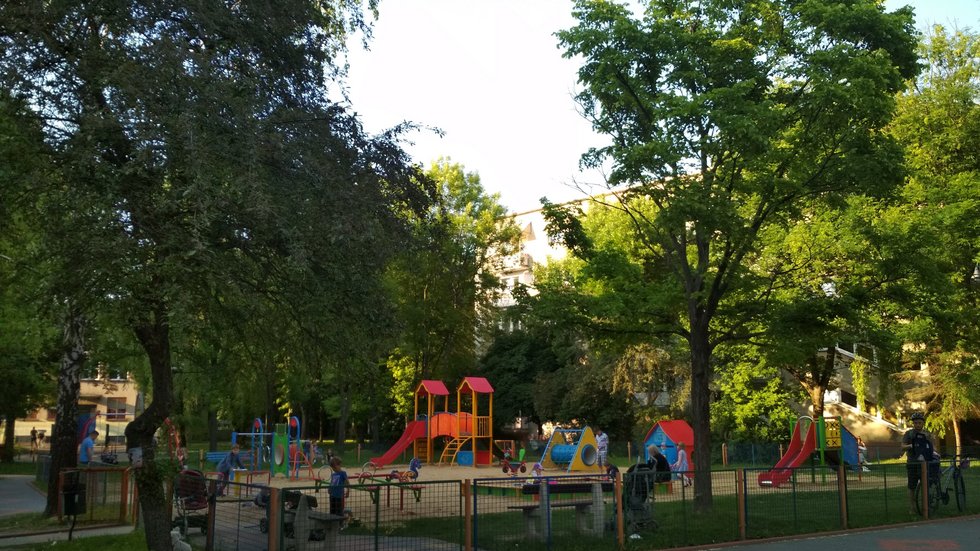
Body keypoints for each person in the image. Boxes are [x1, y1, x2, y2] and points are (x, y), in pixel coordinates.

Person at [902, 411, 937, 514]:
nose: (917, 425)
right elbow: (902, 447)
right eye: (915, 423)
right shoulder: (909, 434)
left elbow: (932, 447)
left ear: (923, 423)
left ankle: (925, 507)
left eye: (919, 423)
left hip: (925, 463)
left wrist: (935, 453)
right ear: (913, 423)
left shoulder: (927, 434)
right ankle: (912, 507)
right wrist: (911, 446)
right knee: (911, 486)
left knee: (925, 486)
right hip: (912, 463)